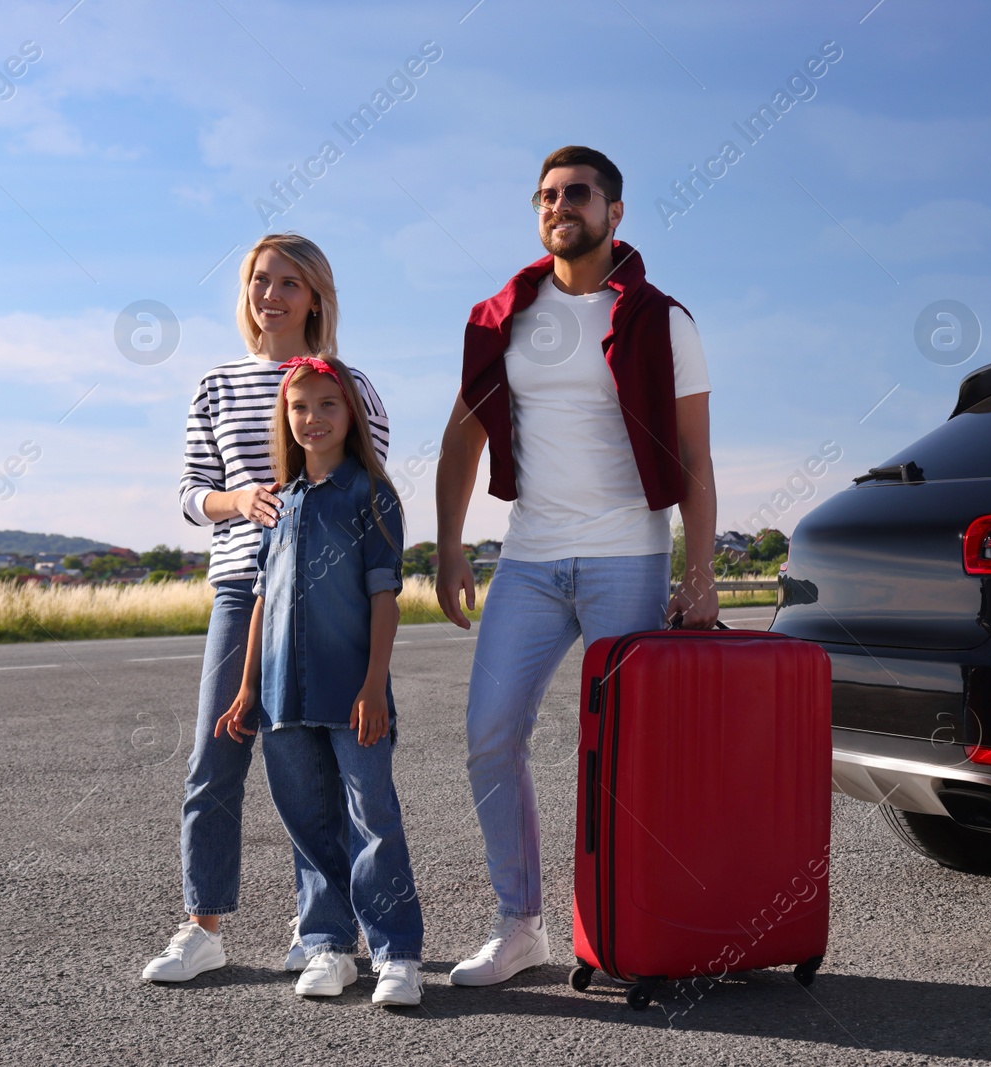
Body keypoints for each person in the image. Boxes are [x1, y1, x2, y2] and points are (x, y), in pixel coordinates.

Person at [434, 145, 719, 988]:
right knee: (489, 735)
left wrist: (697, 571)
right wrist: (451, 544)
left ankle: (638, 922)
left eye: (579, 194)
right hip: (527, 557)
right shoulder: (502, 318)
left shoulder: (662, 319)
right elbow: (463, 434)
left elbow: (697, 459)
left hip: (627, 554)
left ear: (614, 213)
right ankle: (520, 925)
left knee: (627, 755)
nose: (562, 205)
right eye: (548, 195)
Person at [142, 235, 391, 983]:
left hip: (326, 599)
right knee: (214, 753)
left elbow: (369, 490)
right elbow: (191, 493)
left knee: (316, 769)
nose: (270, 294)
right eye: (259, 280)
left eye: (289, 282)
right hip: (239, 586)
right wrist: (237, 499)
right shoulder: (216, 383)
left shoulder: (346, 381)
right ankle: (202, 925)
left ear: (315, 295)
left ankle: (325, 929)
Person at [214, 354, 424, 1006]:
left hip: (350, 693)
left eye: (327, 405)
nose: (313, 418)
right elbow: (261, 602)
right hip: (282, 698)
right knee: (308, 825)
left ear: (350, 414)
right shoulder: (277, 502)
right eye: (300, 407)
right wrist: (248, 688)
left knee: (373, 819)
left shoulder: (371, 494)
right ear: (286, 416)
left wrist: (372, 685)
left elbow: (385, 599)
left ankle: (397, 954)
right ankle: (329, 945)